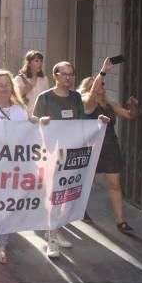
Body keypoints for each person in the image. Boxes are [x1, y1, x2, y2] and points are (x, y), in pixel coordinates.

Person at [33, 60, 109, 259]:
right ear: (55, 75)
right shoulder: (45, 98)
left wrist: (97, 123)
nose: (68, 77)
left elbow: (81, 121)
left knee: (66, 195)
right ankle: (51, 238)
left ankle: (56, 230)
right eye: (64, 74)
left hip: (72, 153)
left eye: (71, 74)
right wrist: (41, 123)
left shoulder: (75, 97)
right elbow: (32, 125)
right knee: (53, 196)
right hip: (52, 154)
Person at [0, 71, 42, 265]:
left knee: (9, 202)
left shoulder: (20, 111)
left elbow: (29, 136)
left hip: (15, 166)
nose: (4, 88)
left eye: (7, 84)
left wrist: (37, 124)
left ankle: (1, 242)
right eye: (0, 85)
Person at [79, 59, 139, 232]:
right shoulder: (87, 103)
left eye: (102, 83)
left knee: (114, 184)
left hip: (110, 147)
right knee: (86, 183)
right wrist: (103, 71)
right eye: (96, 84)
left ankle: (121, 221)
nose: (100, 86)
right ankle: (80, 209)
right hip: (91, 148)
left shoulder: (109, 103)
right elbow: (91, 95)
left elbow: (129, 116)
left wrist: (133, 106)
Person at [14, 50, 50, 115]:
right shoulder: (19, 79)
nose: (40, 63)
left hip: (40, 115)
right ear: (29, 63)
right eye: (36, 61)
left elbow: (47, 98)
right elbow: (15, 98)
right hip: (25, 115)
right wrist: (26, 89)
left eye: (41, 61)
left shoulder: (44, 79)